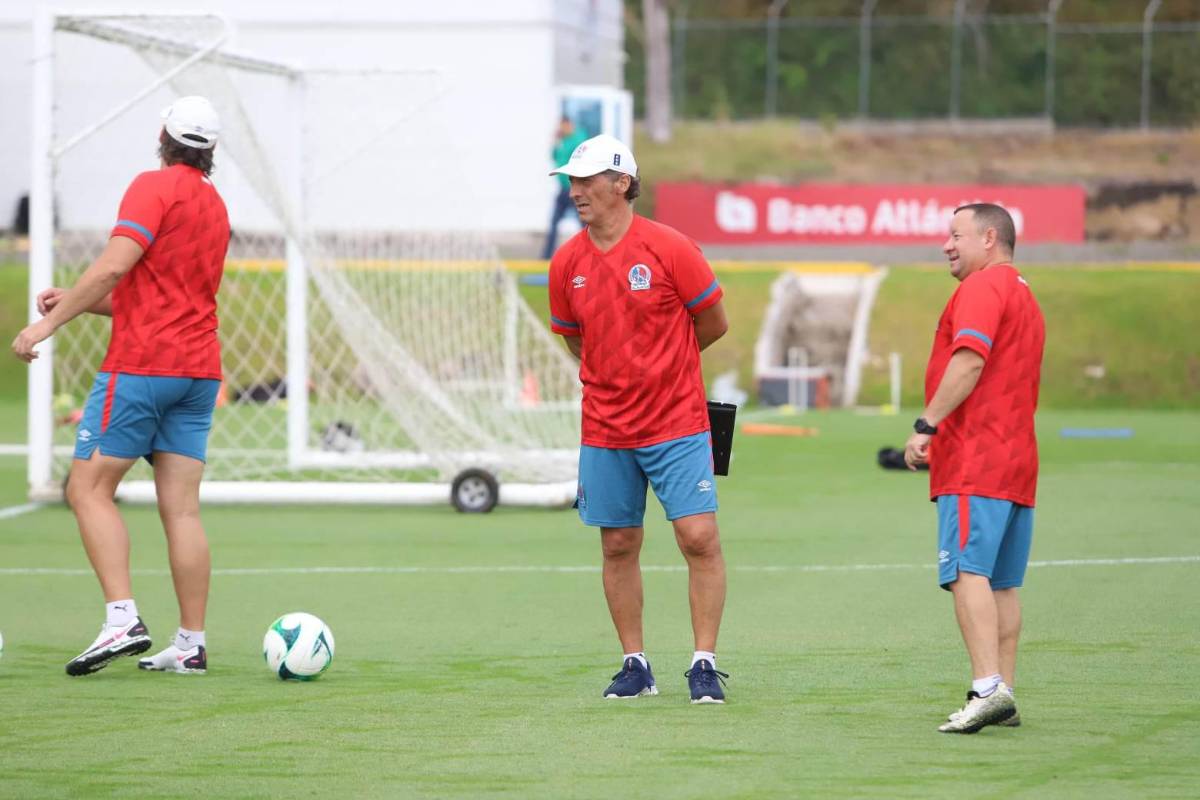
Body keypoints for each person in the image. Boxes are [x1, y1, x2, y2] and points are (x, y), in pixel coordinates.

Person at [11, 96, 230, 677]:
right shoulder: (214, 205)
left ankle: (122, 619)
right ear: (210, 151)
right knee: (181, 510)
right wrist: (80, 306)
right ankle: (190, 643)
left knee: (86, 489)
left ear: (163, 135)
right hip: (198, 372)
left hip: (142, 368)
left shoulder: (152, 187)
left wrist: (46, 324)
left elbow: (113, 266)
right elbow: (154, 296)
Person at [546, 134, 731, 703]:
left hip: (677, 422)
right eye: (571, 181)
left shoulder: (671, 248)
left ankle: (704, 664)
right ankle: (635, 665)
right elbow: (577, 340)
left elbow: (713, 323)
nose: (576, 191)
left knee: (697, 537)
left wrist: (666, 372)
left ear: (621, 182)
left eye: (587, 180)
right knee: (618, 544)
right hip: (604, 428)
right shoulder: (566, 263)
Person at [904, 203, 1045, 733]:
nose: (946, 244)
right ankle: (1003, 690)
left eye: (956, 235)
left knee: (967, 573)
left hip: (976, 459)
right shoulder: (1024, 292)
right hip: (1016, 461)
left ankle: (986, 687)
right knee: (1003, 584)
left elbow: (970, 358)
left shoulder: (983, 289)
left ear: (990, 238)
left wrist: (928, 424)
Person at [539, 115, 588, 259]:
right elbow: (554, 157)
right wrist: (556, 141)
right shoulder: (562, 140)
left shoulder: (578, 139)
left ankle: (588, 251)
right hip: (563, 189)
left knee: (584, 222)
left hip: (575, 188)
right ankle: (547, 255)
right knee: (554, 221)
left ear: (569, 125)